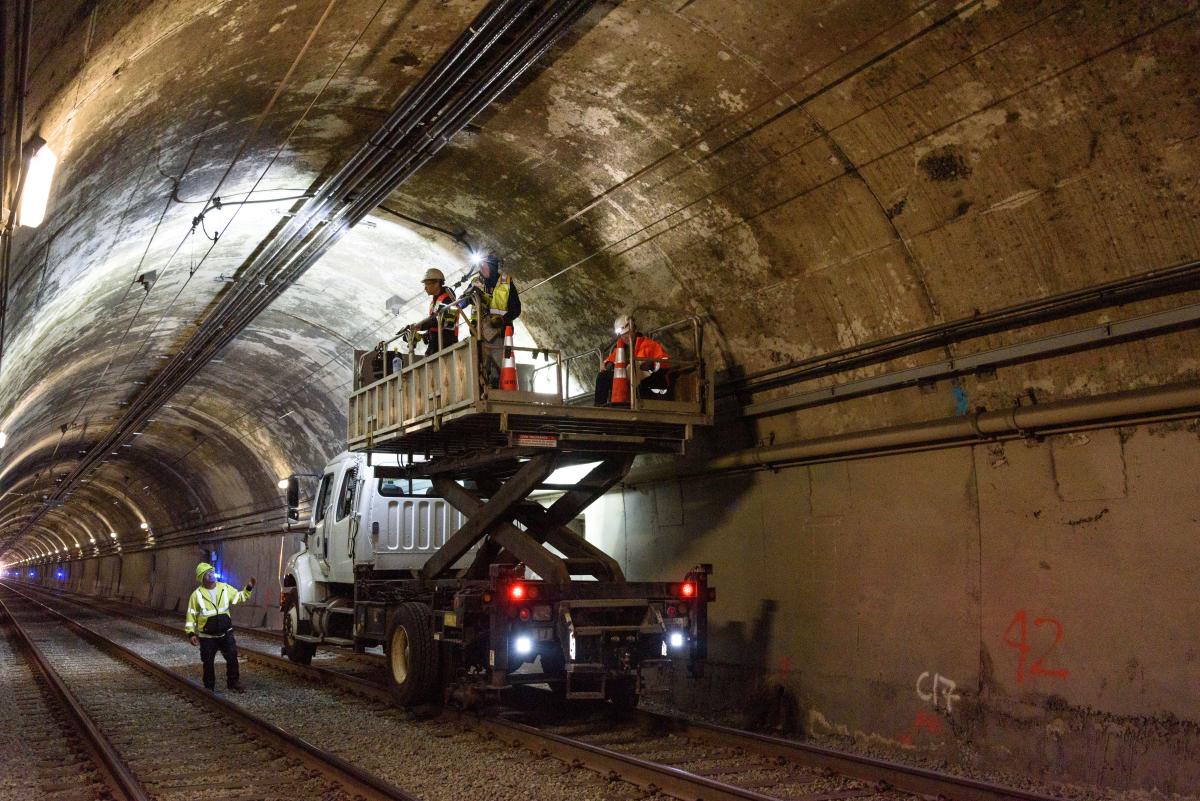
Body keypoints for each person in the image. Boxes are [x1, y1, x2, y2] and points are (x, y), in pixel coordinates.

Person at [185, 562, 256, 693]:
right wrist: (191, 633)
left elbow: (239, 597)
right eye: (207, 573)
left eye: (211, 571)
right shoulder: (197, 595)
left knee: (232, 657)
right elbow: (191, 615)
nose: (211, 574)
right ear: (202, 578)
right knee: (208, 662)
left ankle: (233, 683)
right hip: (207, 637)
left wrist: (248, 588)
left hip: (225, 633)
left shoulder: (224, 588)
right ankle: (209, 687)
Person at [464, 254, 521, 387]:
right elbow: (463, 300)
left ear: (493, 267)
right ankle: (482, 390)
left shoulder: (506, 283)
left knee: (498, 369)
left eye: (483, 265)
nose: (480, 268)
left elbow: (516, 309)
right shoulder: (475, 282)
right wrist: (465, 300)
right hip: (479, 333)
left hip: (499, 334)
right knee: (479, 368)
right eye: (480, 265)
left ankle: (498, 389)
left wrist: (502, 320)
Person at [594, 314, 670, 405]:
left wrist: (652, 365)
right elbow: (606, 362)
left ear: (634, 329)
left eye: (627, 333)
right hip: (628, 381)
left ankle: (627, 403)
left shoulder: (648, 344)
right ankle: (599, 406)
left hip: (646, 381)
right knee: (603, 376)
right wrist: (608, 364)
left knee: (634, 375)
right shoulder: (620, 349)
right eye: (622, 335)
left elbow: (665, 361)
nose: (625, 337)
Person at [402, 268, 459, 356]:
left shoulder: (448, 298)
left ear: (436, 283)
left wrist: (419, 326)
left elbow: (443, 321)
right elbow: (434, 323)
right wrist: (425, 334)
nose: (425, 288)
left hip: (447, 344)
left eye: (427, 284)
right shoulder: (434, 302)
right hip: (436, 344)